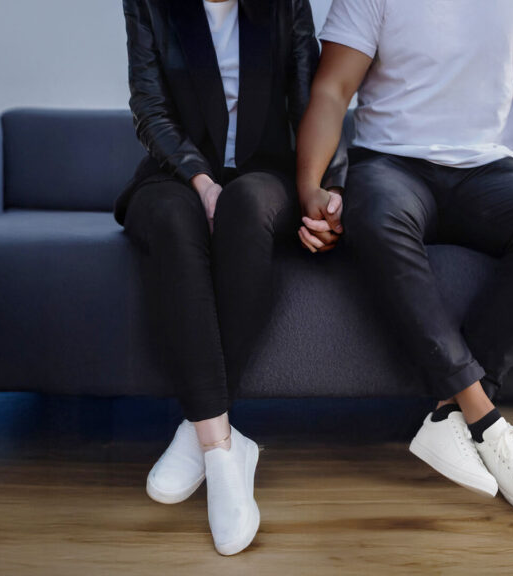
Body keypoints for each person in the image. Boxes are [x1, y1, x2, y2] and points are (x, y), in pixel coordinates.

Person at [295, 0, 513, 515]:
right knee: (375, 218)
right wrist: (310, 187)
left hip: (489, 169)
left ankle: (446, 417)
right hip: (391, 162)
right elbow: (333, 88)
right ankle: (483, 419)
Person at [114, 0, 346, 555]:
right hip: (176, 173)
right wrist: (198, 178)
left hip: (266, 174)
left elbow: (315, 98)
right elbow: (148, 104)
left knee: (245, 205)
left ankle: (197, 437)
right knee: (173, 218)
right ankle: (220, 447)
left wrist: (326, 194)